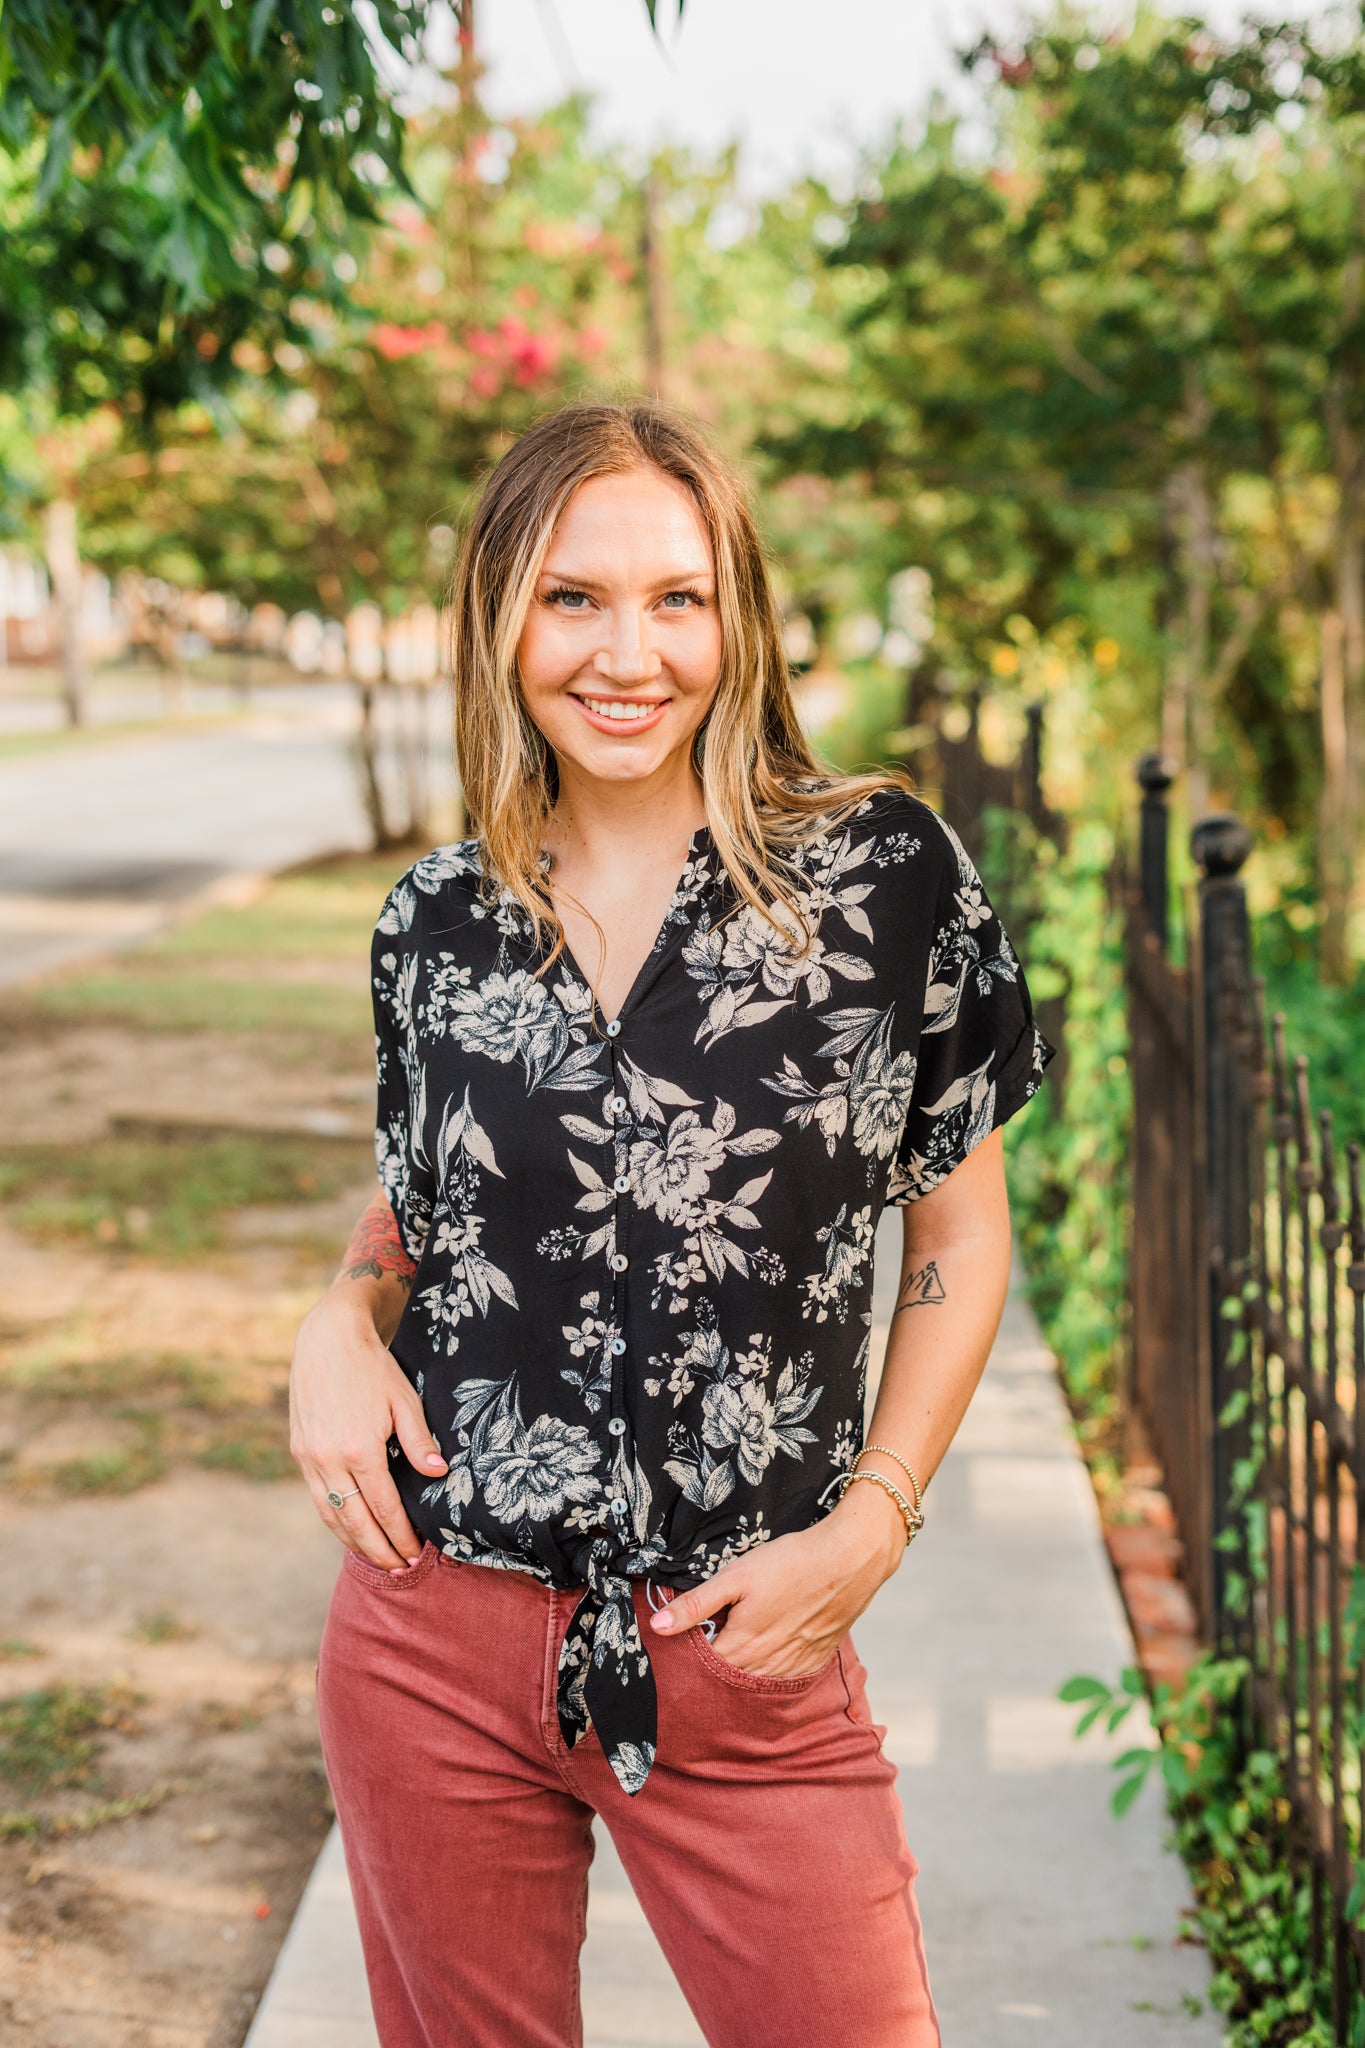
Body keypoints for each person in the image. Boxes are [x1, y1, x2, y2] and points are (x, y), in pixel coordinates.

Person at [290, 400, 1055, 2048]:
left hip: (749, 1648)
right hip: (434, 1636)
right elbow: (427, 1207)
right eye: (571, 597)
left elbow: (959, 1236)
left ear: (738, 618)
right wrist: (335, 1324)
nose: (624, 652)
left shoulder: (878, 879)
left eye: (674, 599)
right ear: (501, 614)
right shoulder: (436, 920)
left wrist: (876, 1517)